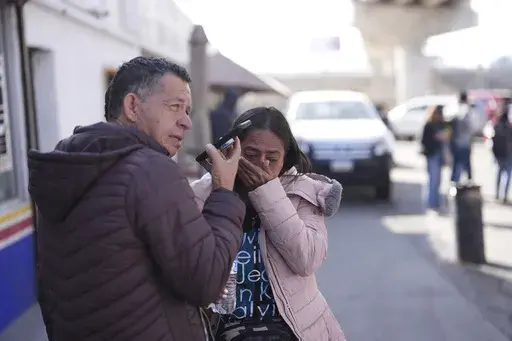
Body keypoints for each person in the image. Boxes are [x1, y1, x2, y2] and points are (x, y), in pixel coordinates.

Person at [27, 56, 246, 341]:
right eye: (175, 107)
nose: (187, 122)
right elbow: (207, 281)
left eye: (188, 110)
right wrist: (224, 192)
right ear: (132, 106)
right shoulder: (151, 170)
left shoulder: (69, 166)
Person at [191, 107, 345, 341]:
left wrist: (266, 192)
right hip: (223, 327)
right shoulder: (201, 193)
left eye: (272, 158)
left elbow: (307, 259)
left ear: (284, 159)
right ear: (233, 149)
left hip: (289, 327)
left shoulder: (304, 192)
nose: (261, 164)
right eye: (251, 155)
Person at [421, 105, 449, 209]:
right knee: (433, 179)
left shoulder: (442, 124)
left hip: (440, 154)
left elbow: (448, 132)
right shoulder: (429, 125)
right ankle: (431, 202)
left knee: (438, 180)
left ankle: (436, 201)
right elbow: (424, 141)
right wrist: (435, 137)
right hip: (432, 154)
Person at [449, 91, 474, 183]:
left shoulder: (457, 109)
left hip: (459, 142)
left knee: (458, 165)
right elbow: (470, 127)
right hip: (464, 142)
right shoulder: (465, 110)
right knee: (463, 165)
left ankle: (455, 184)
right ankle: (461, 184)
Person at [492, 98, 512, 203]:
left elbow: (493, 142)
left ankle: (497, 194)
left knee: (499, 174)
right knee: (507, 175)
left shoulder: (496, 127)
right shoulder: (509, 128)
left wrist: (494, 153)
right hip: (508, 154)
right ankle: (504, 196)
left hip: (500, 154)